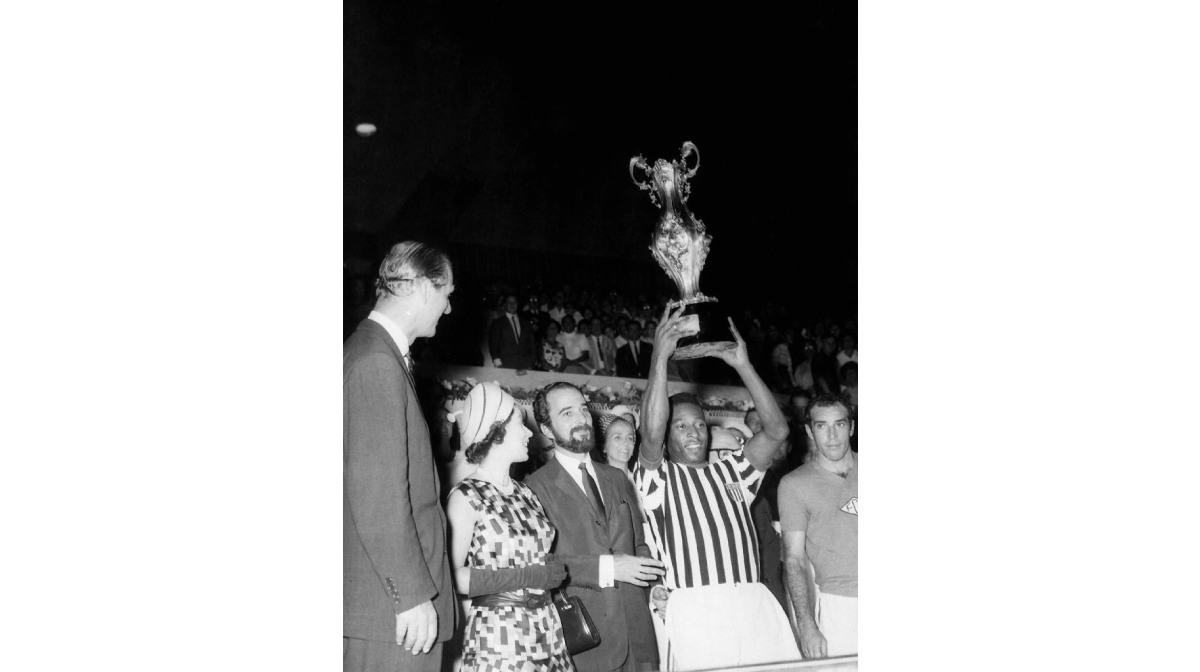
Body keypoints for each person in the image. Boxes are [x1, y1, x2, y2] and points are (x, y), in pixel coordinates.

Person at [634, 307, 801, 670]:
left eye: (698, 425)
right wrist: (660, 355)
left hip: (753, 602)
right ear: (666, 435)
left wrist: (743, 365)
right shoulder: (656, 477)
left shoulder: (734, 469)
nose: (693, 432)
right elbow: (650, 430)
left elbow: (777, 431)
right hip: (698, 608)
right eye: (681, 426)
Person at [344, 241, 457, 671]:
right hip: (391, 616)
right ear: (425, 288)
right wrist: (410, 596)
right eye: (447, 294)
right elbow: (378, 497)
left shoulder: (374, 353)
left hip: (385, 612)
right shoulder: (376, 361)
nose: (447, 309)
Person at [526, 383, 665, 672]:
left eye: (583, 409)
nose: (581, 418)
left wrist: (654, 589)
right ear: (547, 429)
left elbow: (639, 546)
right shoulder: (533, 488)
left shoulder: (617, 478)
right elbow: (543, 565)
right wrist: (609, 568)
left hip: (638, 636)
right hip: (586, 643)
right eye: (567, 413)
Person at [445, 382, 573, 672]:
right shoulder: (466, 496)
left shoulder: (525, 492)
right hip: (500, 636)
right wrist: (528, 575)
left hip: (546, 628)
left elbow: (532, 555)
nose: (530, 433)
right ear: (497, 431)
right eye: (520, 425)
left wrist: (549, 568)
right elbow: (451, 578)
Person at [780, 394, 858, 659]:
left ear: (852, 427)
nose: (832, 435)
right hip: (840, 608)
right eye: (822, 426)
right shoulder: (794, 485)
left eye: (840, 424)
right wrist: (806, 623)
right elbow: (794, 559)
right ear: (809, 431)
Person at [488, 294, 538, 370]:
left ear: (518, 305)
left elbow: (532, 346)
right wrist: (498, 363)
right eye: (509, 302)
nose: (512, 305)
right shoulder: (497, 323)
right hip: (505, 365)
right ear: (505, 305)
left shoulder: (526, 324)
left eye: (514, 302)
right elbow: (493, 345)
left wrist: (531, 363)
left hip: (525, 366)